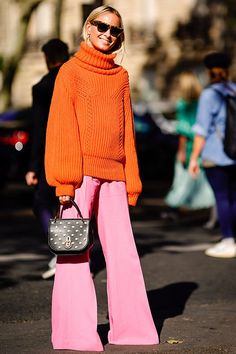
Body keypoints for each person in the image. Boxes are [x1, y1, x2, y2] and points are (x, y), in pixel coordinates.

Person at [45, 5, 159, 351]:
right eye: (103, 26)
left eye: (116, 31)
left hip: (115, 175)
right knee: (74, 253)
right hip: (78, 175)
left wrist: (132, 180)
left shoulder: (121, 76)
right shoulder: (69, 72)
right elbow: (61, 128)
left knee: (124, 253)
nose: (109, 34)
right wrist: (64, 182)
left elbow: (127, 131)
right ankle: (74, 334)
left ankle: (133, 330)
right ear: (88, 27)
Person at [25, 39, 70, 279]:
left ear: (47, 59)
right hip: (80, 152)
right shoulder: (78, 78)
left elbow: (40, 129)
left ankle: (63, 251)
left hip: (52, 155)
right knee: (72, 204)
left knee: (42, 203)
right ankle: (73, 251)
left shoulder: (42, 87)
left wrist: (33, 166)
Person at [189, 52, 236, 258]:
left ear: (209, 72)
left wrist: (193, 158)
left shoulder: (209, 94)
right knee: (233, 197)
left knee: (222, 198)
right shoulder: (234, 90)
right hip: (235, 155)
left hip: (215, 156)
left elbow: (201, 129)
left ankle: (228, 240)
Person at [164, 72, 215, 214]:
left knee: (181, 179)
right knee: (203, 180)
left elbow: (183, 133)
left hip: (188, 146)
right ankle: (210, 212)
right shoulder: (202, 102)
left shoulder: (183, 104)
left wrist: (181, 152)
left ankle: (174, 207)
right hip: (203, 145)